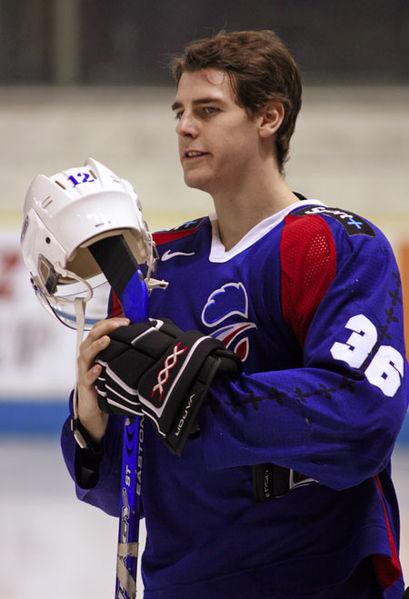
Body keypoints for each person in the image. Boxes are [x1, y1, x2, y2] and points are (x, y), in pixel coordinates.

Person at [61, 30, 408, 598]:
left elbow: (360, 417)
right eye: (179, 111)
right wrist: (91, 424)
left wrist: (197, 405)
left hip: (322, 580)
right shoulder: (152, 269)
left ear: (269, 117)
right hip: (183, 584)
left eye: (208, 109)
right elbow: (129, 490)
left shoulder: (331, 246)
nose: (184, 127)